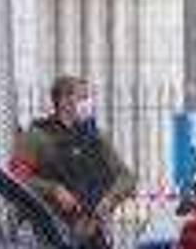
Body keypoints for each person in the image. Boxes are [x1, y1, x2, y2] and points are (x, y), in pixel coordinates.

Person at [11, 75, 137, 248]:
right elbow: (17, 179)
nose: (88, 103)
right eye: (82, 97)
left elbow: (127, 177)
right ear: (63, 101)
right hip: (49, 232)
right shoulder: (37, 137)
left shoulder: (95, 137)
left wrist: (109, 200)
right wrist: (53, 189)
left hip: (92, 232)